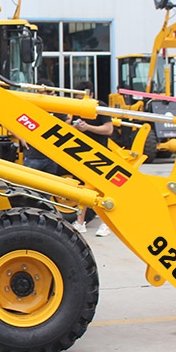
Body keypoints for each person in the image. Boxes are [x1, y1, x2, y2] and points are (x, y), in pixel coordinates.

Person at [69, 80, 113, 238]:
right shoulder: (77, 108)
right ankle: (80, 223)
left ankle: (105, 224)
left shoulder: (100, 107)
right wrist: (76, 128)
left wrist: (88, 127)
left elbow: (108, 129)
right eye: (78, 97)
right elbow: (72, 128)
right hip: (83, 154)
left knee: (102, 190)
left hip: (100, 154)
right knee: (85, 189)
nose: (80, 101)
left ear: (91, 95)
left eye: (83, 97)